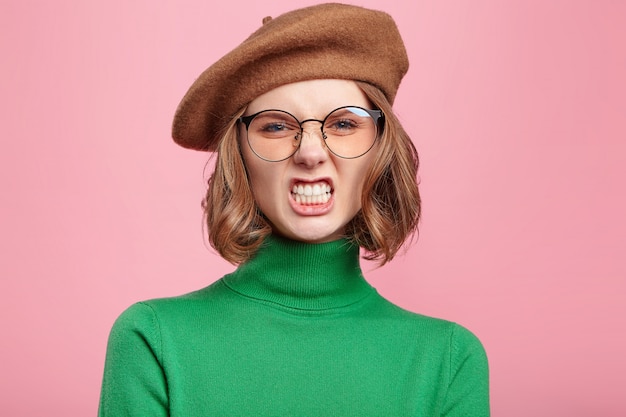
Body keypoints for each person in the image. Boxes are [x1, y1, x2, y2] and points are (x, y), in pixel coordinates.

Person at [98, 3, 489, 416]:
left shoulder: (448, 360)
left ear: (381, 148)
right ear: (240, 154)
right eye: (276, 126)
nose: (310, 153)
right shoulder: (154, 341)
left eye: (343, 123)